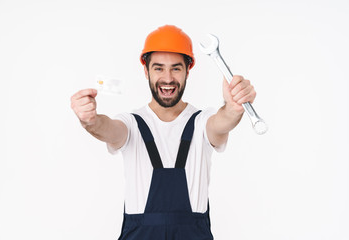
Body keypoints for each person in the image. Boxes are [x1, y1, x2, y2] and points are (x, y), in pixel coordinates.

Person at [71, 25, 256, 240]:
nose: (167, 78)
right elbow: (108, 129)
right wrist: (90, 121)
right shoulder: (131, 124)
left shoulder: (201, 122)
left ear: (188, 70)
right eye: (159, 68)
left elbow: (222, 122)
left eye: (176, 68)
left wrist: (233, 107)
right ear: (146, 70)